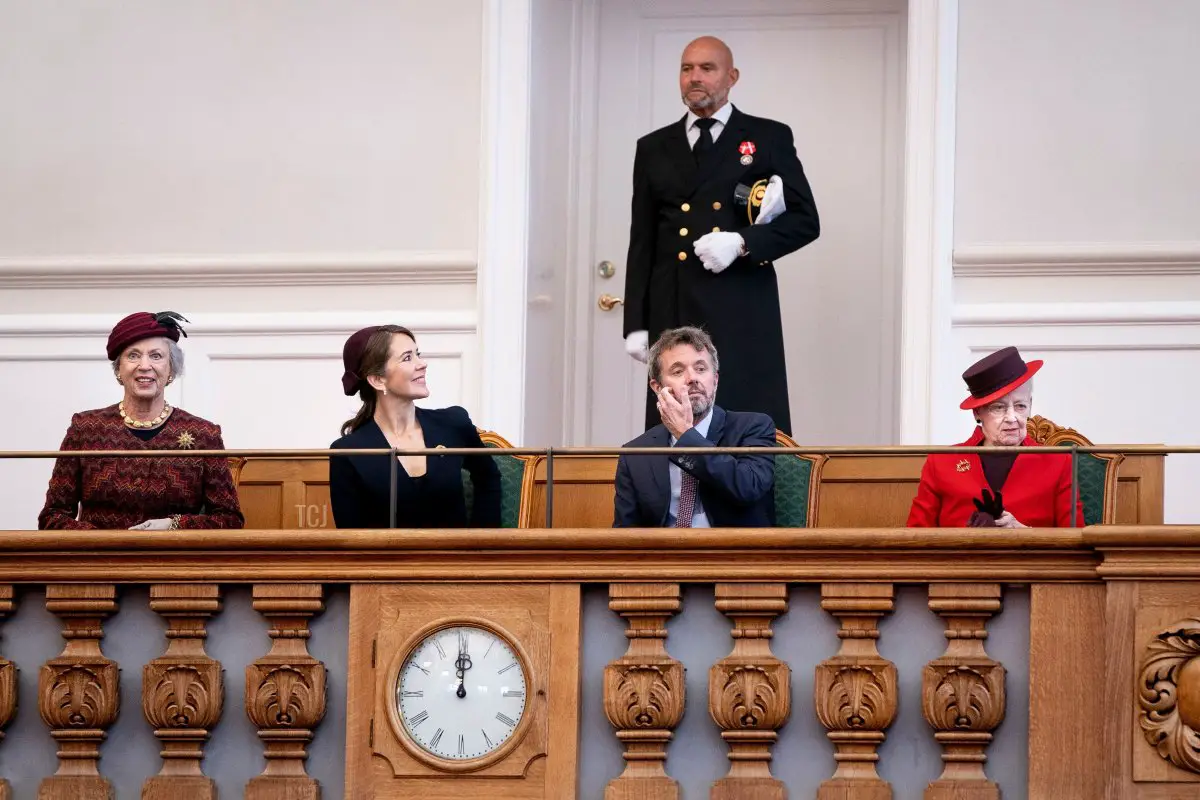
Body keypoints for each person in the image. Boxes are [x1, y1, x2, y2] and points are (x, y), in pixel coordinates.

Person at [622, 35, 820, 434]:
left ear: (731, 76)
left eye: (707, 69)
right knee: (676, 420)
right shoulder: (653, 147)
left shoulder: (768, 137)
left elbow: (805, 221)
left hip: (741, 304)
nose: (695, 78)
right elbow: (642, 240)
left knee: (748, 418)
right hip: (673, 304)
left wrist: (743, 242)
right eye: (686, 69)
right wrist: (635, 323)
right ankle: (678, 497)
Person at [38, 312, 244, 530]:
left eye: (156, 356)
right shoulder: (86, 428)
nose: (144, 365)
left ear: (171, 368)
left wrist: (174, 526)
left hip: (173, 559)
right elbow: (52, 517)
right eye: (133, 355)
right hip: (99, 560)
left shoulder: (203, 434)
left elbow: (229, 520)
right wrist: (104, 540)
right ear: (119, 369)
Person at [329, 325, 501, 529]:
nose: (423, 364)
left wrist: (481, 544)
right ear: (377, 380)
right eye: (407, 358)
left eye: (418, 354)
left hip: (457, 559)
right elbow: (351, 537)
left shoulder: (454, 423)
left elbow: (489, 476)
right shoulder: (348, 452)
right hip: (387, 561)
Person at [613, 326, 776, 527]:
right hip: (665, 555)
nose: (692, 379)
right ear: (657, 387)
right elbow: (624, 536)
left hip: (733, 554)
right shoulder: (635, 453)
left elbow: (747, 488)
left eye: (701, 369)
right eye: (678, 371)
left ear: (715, 380)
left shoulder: (753, 427)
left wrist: (685, 435)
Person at [907, 346, 1084, 528]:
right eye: (998, 407)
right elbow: (915, 538)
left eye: (1020, 406)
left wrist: (1023, 532)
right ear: (977, 412)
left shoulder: (1059, 462)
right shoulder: (941, 463)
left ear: (1030, 405)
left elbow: (1075, 543)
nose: (1011, 418)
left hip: (1030, 556)